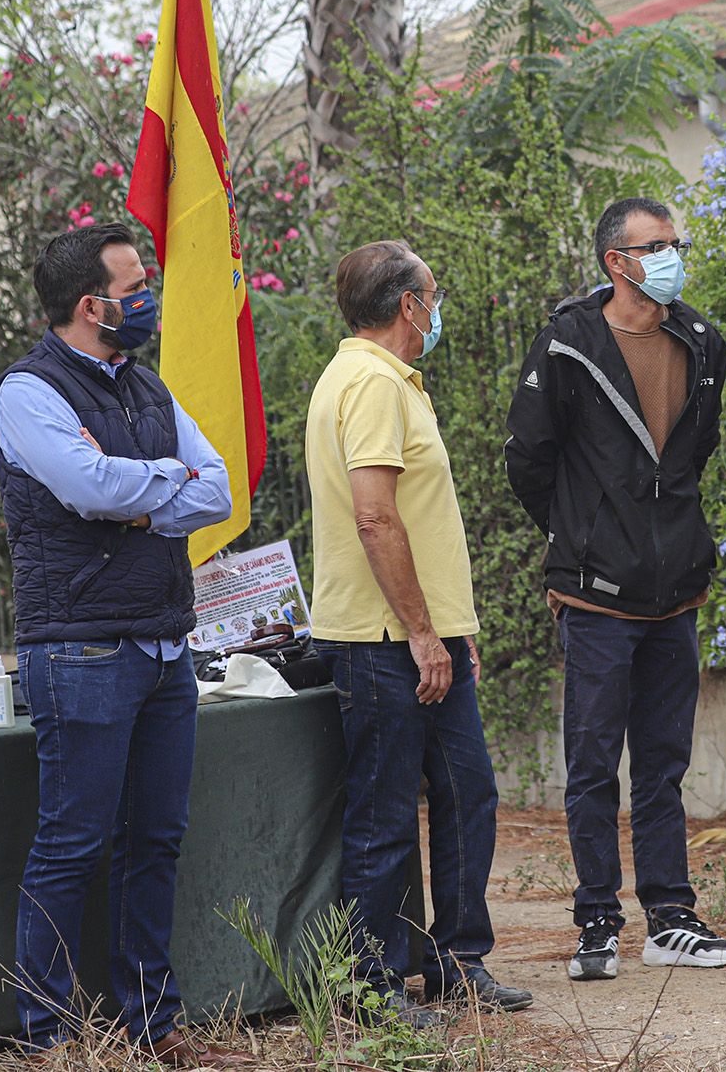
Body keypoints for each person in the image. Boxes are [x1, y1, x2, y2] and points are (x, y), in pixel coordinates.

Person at [0, 224, 240, 1066]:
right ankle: (47, 1036)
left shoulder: (147, 386)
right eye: (137, 286)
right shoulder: (28, 390)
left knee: (156, 840)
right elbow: (84, 485)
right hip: (82, 650)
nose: (150, 297)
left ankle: (151, 1023)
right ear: (91, 305)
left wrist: (140, 493)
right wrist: (157, 484)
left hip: (165, 648)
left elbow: (220, 490)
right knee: (72, 843)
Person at [503, 198, 726, 982]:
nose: (672, 255)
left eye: (676, 242)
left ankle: (671, 917)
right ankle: (597, 920)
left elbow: (693, 454)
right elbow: (528, 462)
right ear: (617, 261)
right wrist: (582, 536)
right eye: (656, 245)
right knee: (591, 764)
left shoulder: (701, 340)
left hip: (675, 589)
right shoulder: (569, 342)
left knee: (664, 764)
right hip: (595, 593)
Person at [305, 240, 531, 1021]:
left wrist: (448, 627)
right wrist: (420, 633)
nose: (436, 312)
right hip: (381, 640)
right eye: (431, 298)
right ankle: (367, 987)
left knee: (470, 792)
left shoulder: (392, 380)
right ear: (409, 305)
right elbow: (375, 517)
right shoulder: (368, 381)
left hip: (425, 634)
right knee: (385, 813)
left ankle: (456, 961)